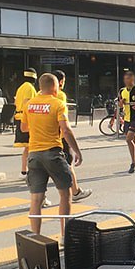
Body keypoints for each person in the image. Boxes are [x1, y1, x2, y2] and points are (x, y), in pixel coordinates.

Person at [22, 73, 82, 235]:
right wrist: (77, 151)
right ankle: (64, 236)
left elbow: (24, 128)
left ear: (40, 87)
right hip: (53, 154)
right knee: (65, 194)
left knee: (36, 199)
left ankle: (36, 237)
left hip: (34, 155)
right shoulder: (58, 104)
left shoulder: (29, 104)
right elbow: (66, 130)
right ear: (55, 87)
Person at [52, 70, 92, 201]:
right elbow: (63, 122)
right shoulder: (60, 95)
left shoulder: (38, 96)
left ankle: (40, 197)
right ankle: (75, 192)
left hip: (42, 137)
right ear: (61, 81)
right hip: (60, 136)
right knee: (69, 163)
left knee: (45, 167)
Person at [13, 68, 38, 181]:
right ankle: (30, 171)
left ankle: (24, 171)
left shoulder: (20, 88)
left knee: (28, 147)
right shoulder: (30, 88)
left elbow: (15, 102)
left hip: (19, 117)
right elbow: (27, 103)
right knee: (32, 146)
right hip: (27, 118)